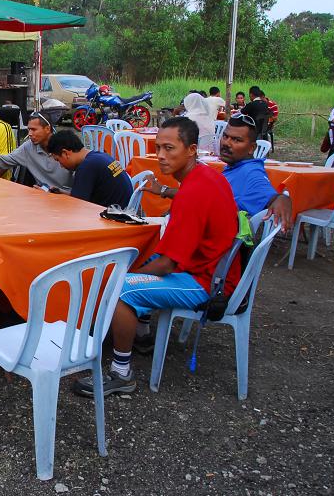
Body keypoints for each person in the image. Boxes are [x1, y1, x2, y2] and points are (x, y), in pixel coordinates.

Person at [72, 117, 240, 398]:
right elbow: (186, 198)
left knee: (119, 286)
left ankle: (121, 373)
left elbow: (167, 263)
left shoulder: (193, 192)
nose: (160, 156)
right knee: (138, 265)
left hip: (206, 283)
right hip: (219, 270)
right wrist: (164, 191)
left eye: (169, 148)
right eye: (158, 147)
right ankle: (143, 335)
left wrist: (129, 271)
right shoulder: (207, 175)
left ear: (191, 150)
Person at [143, 113, 293, 231]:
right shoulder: (235, 167)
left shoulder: (250, 171)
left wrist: (280, 199)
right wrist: (164, 190)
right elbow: (198, 197)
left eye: (236, 140)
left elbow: (265, 190)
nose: (227, 143)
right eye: (226, 136)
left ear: (252, 148)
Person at [0, 112, 73, 192]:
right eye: (28, 129)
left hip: (70, 198)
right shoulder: (28, 147)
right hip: (41, 197)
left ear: (47, 129)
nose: (30, 134)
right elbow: (4, 161)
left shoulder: (66, 144)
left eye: (34, 129)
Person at [46, 129, 133, 208]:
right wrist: (61, 193)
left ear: (65, 153)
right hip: (124, 208)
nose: (61, 165)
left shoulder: (86, 167)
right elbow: (81, 197)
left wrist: (50, 198)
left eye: (58, 160)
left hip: (114, 217)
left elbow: (77, 205)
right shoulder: (98, 156)